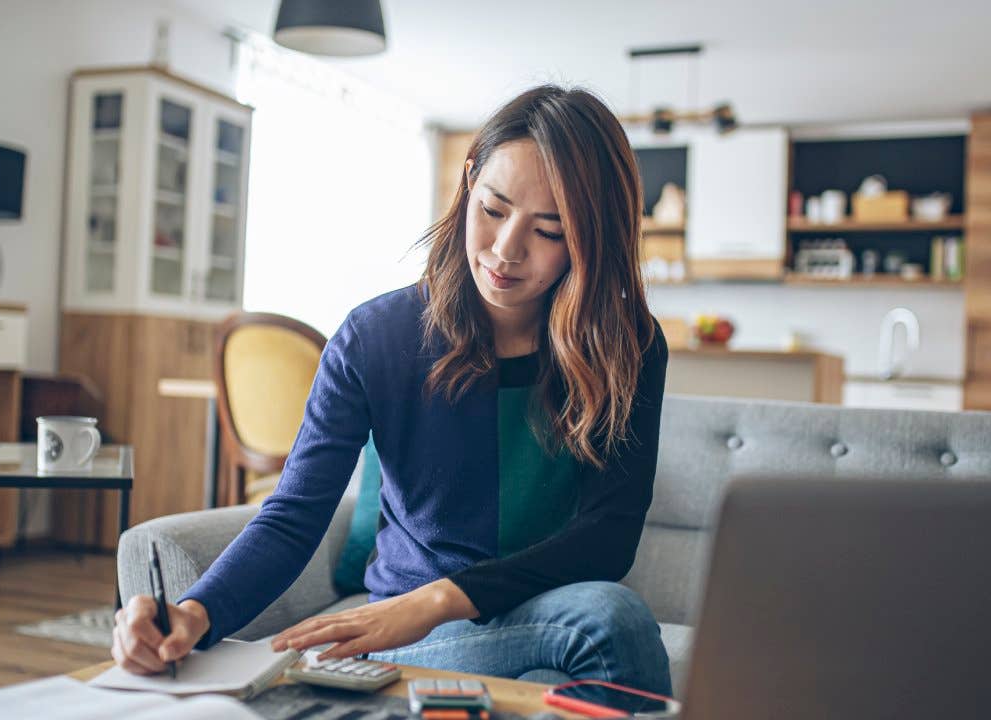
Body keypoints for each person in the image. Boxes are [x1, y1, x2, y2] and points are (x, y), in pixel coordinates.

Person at [112, 84, 672, 694]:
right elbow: (294, 516)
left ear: (592, 238)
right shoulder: (376, 337)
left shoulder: (626, 345)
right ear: (467, 181)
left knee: (596, 626)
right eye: (492, 209)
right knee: (606, 629)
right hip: (418, 635)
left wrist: (435, 599)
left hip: (534, 610)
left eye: (550, 230)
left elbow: (608, 537)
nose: (506, 251)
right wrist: (193, 614)